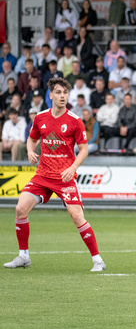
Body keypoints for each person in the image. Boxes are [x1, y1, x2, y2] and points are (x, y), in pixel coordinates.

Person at [3, 78, 106, 272]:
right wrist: (31, 151)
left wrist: (73, 167)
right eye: (58, 93)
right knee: (20, 209)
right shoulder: (40, 118)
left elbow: (83, 149)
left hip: (64, 177)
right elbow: (31, 139)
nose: (62, 96)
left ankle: (98, 260)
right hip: (42, 175)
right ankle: (23, 256)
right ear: (50, 95)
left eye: (65, 93)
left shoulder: (75, 121)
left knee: (77, 217)